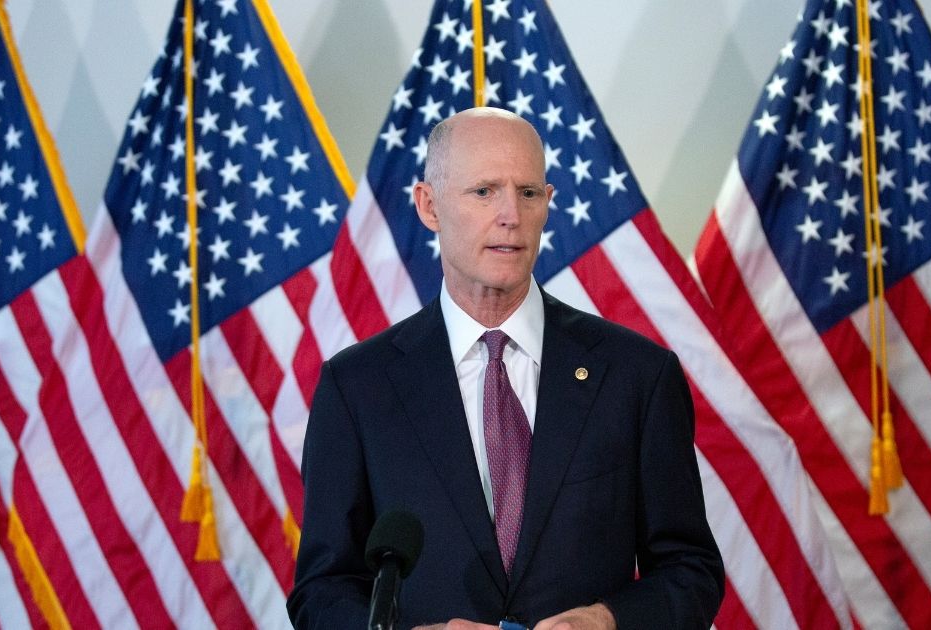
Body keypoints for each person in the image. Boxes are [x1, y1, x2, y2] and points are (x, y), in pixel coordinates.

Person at [288, 107, 723, 629]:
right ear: (429, 205)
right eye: (484, 191)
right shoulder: (358, 388)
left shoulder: (636, 376)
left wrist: (609, 621)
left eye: (529, 193)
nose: (511, 216)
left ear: (548, 204)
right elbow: (323, 590)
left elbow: (690, 569)